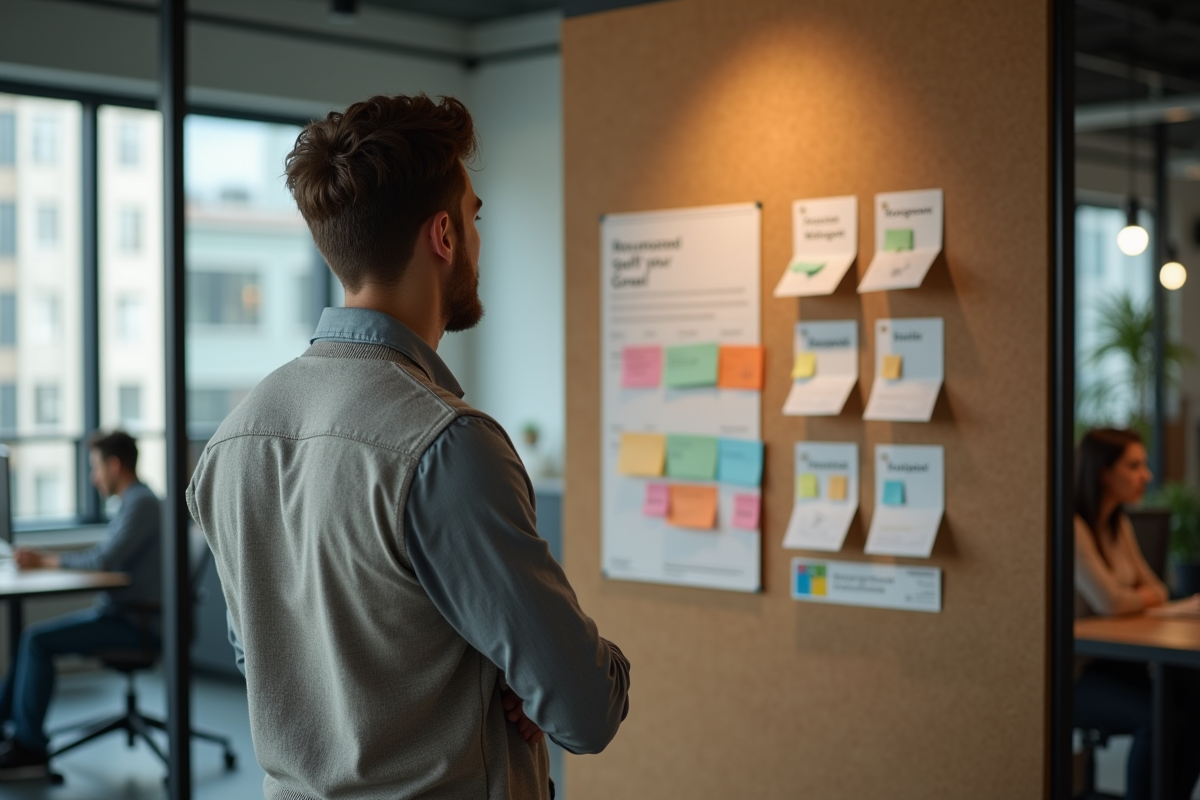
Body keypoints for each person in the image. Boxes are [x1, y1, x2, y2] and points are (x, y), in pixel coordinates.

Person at [187, 94, 630, 800]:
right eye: (476, 217)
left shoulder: (234, 438)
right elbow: (584, 710)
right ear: (445, 236)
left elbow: (265, 657)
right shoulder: (448, 445)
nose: (480, 240)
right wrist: (533, 673)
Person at [0, 431, 161, 781]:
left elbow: (103, 560)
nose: (93, 477)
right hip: (123, 614)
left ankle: (29, 750)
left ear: (114, 465)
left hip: (137, 623)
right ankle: (10, 733)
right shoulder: (133, 502)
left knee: (36, 641)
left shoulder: (141, 503)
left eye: (95, 467)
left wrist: (44, 562)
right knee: (33, 637)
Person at [1074, 427, 1200, 800]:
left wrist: (1134, 597)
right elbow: (1110, 602)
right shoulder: (1073, 526)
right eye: (1134, 466)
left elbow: (1157, 589)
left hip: (1114, 662)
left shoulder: (1118, 523)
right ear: (1103, 472)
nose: (1146, 475)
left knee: (1195, 704)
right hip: (1073, 674)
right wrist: (1136, 597)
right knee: (1158, 721)